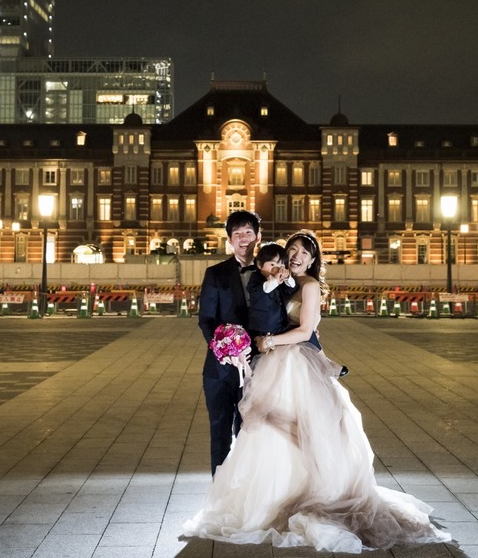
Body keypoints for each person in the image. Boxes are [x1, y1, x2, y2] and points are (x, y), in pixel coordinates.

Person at [183, 230, 453, 552]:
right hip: (276, 364)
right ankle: (270, 496)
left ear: (313, 260)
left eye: (303, 253)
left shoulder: (308, 286)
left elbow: (305, 330)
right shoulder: (286, 282)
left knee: (304, 432)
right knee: (269, 433)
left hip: (297, 365)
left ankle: (305, 495)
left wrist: (268, 342)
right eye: (292, 250)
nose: (296, 256)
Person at [197, 210, 262, 475]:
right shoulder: (215, 274)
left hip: (260, 367)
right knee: (220, 433)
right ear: (230, 240)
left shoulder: (268, 271)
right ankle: (220, 494)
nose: (243, 239)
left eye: (248, 232)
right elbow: (206, 320)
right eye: (237, 234)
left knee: (252, 434)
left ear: (258, 236)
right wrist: (228, 351)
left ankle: (247, 492)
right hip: (221, 371)